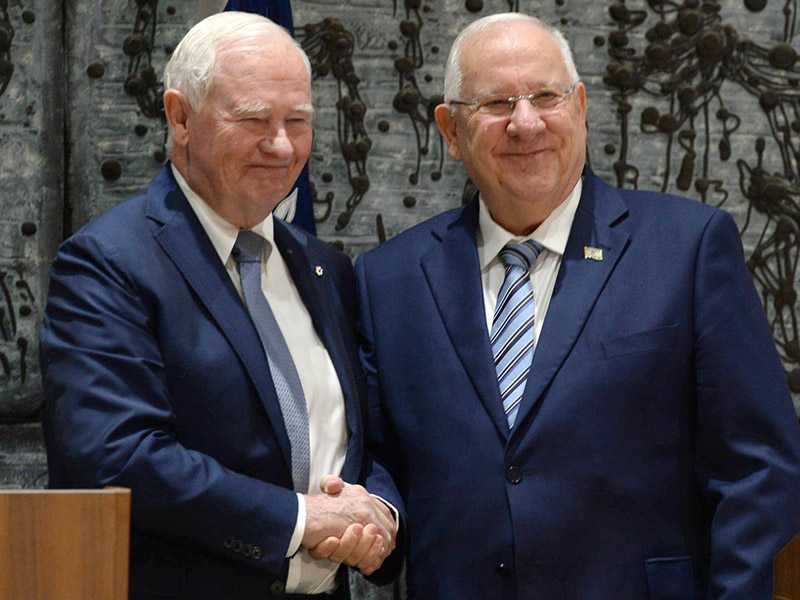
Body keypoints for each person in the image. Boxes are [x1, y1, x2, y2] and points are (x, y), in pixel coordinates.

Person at [355, 12, 800, 599]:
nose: (525, 122)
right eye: (496, 103)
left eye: (546, 96)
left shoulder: (687, 249)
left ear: (581, 108)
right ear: (450, 131)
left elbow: (759, 468)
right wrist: (376, 521)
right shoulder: (389, 279)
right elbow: (377, 459)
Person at [39, 12, 401, 600]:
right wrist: (302, 521)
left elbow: (364, 437)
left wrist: (378, 514)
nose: (282, 145)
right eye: (255, 119)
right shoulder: (108, 263)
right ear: (180, 116)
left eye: (299, 121)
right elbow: (117, 458)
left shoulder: (325, 268)